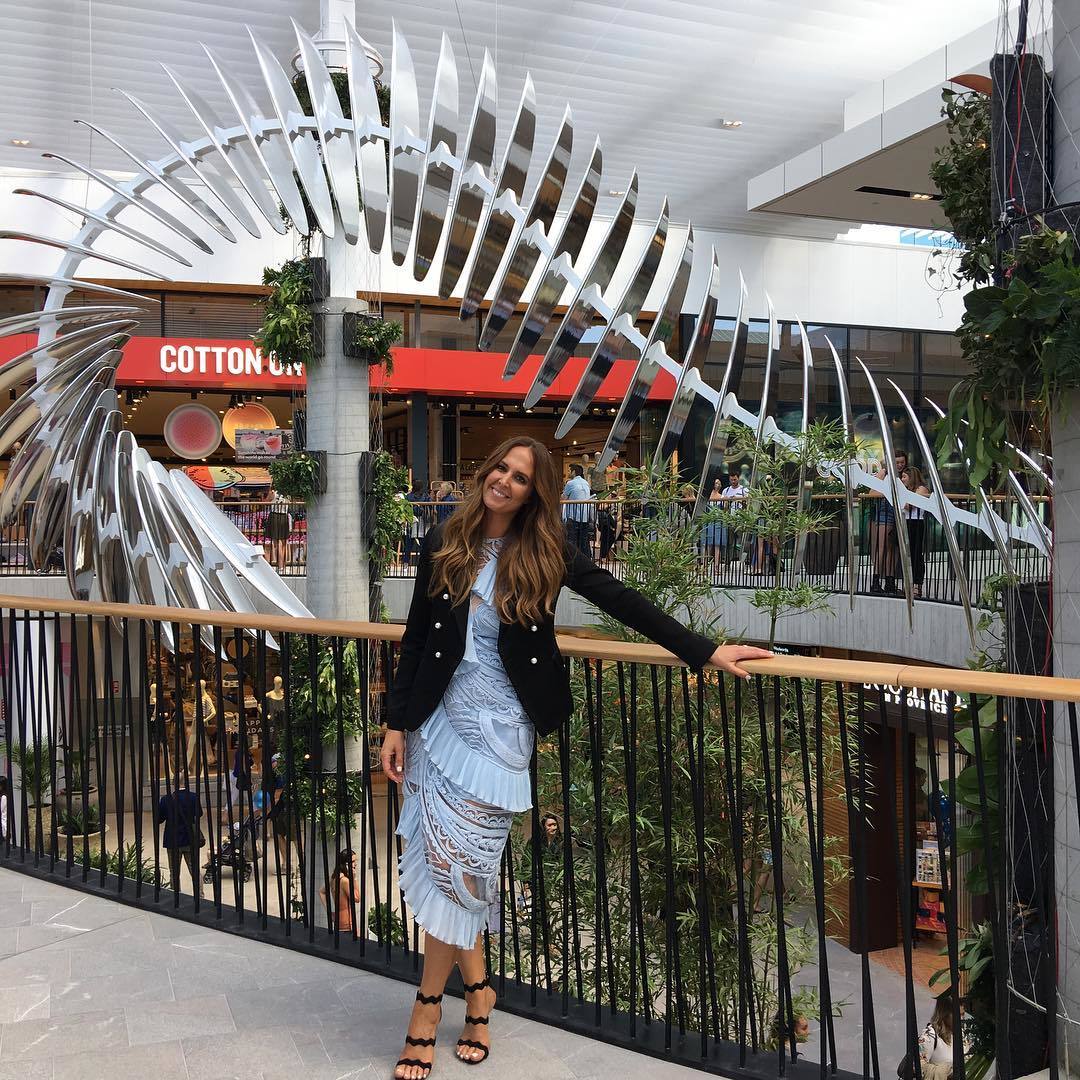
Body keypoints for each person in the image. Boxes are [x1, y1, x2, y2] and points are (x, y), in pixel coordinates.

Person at [380, 435, 771, 1077]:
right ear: (486, 471)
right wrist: (396, 723)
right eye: (500, 468)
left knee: (464, 868)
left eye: (520, 477)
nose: (505, 481)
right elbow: (417, 638)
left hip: (501, 733)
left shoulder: (547, 550)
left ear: (535, 493)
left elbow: (622, 601)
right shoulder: (445, 540)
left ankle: (425, 1012)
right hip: (437, 724)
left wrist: (703, 651)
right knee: (445, 865)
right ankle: (478, 994)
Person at [158, 786, 203, 898]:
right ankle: (199, 896)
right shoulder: (193, 797)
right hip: (189, 838)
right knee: (194, 871)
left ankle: (176, 896)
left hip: (172, 840)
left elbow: (159, 819)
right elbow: (199, 814)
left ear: (173, 783)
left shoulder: (166, 799)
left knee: (174, 872)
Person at [902, 465, 931, 598]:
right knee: (907, 554)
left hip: (916, 522)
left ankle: (917, 584)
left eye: (904, 477)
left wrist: (900, 498)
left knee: (916, 554)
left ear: (911, 477)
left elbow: (910, 505)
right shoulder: (907, 490)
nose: (902, 479)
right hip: (906, 521)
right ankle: (908, 582)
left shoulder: (920, 489)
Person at [915, 993, 957, 1079]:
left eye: (962, 1014)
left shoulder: (963, 1034)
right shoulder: (930, 1035)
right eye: (955, 1014)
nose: (960, 1019)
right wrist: (945, 1071)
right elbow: (917, 1066)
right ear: (945, 1013)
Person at [319, 848, 359, 933]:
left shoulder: (334, 877)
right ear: (345, 864)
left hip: (339, 922)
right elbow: (357, 898)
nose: (355, 864)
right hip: (347, 925)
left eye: (355, 861)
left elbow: (321, 891)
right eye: (352, 862)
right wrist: (354, 879)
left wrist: (329, 912)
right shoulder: (344, 881)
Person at [561, 463, 594, 557]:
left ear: (574, 472)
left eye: (569, 470)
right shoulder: (586, 483)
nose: (568, 472)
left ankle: (572, 561)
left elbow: (563, 498)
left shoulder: (570, 483)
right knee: (584, 542)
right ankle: (586, 560)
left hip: (574, 516)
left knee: (571, 541)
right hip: (585, 517)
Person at [403, 480, 430, 566]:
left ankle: (406, 563)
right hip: (422, 521)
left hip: (411, 520)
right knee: (422, 544)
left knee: (408, 544)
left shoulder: (408, 497)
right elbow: (430, 505)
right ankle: (423, 563)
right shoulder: (425, 497)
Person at [264, 489, 293, 570]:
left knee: (277, 542)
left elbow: (266, 502)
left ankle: (280, 565)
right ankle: (282, 565)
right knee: (283, 542)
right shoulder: (288, 493)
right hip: (283, 516)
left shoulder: (274, 492)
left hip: (275, 516)